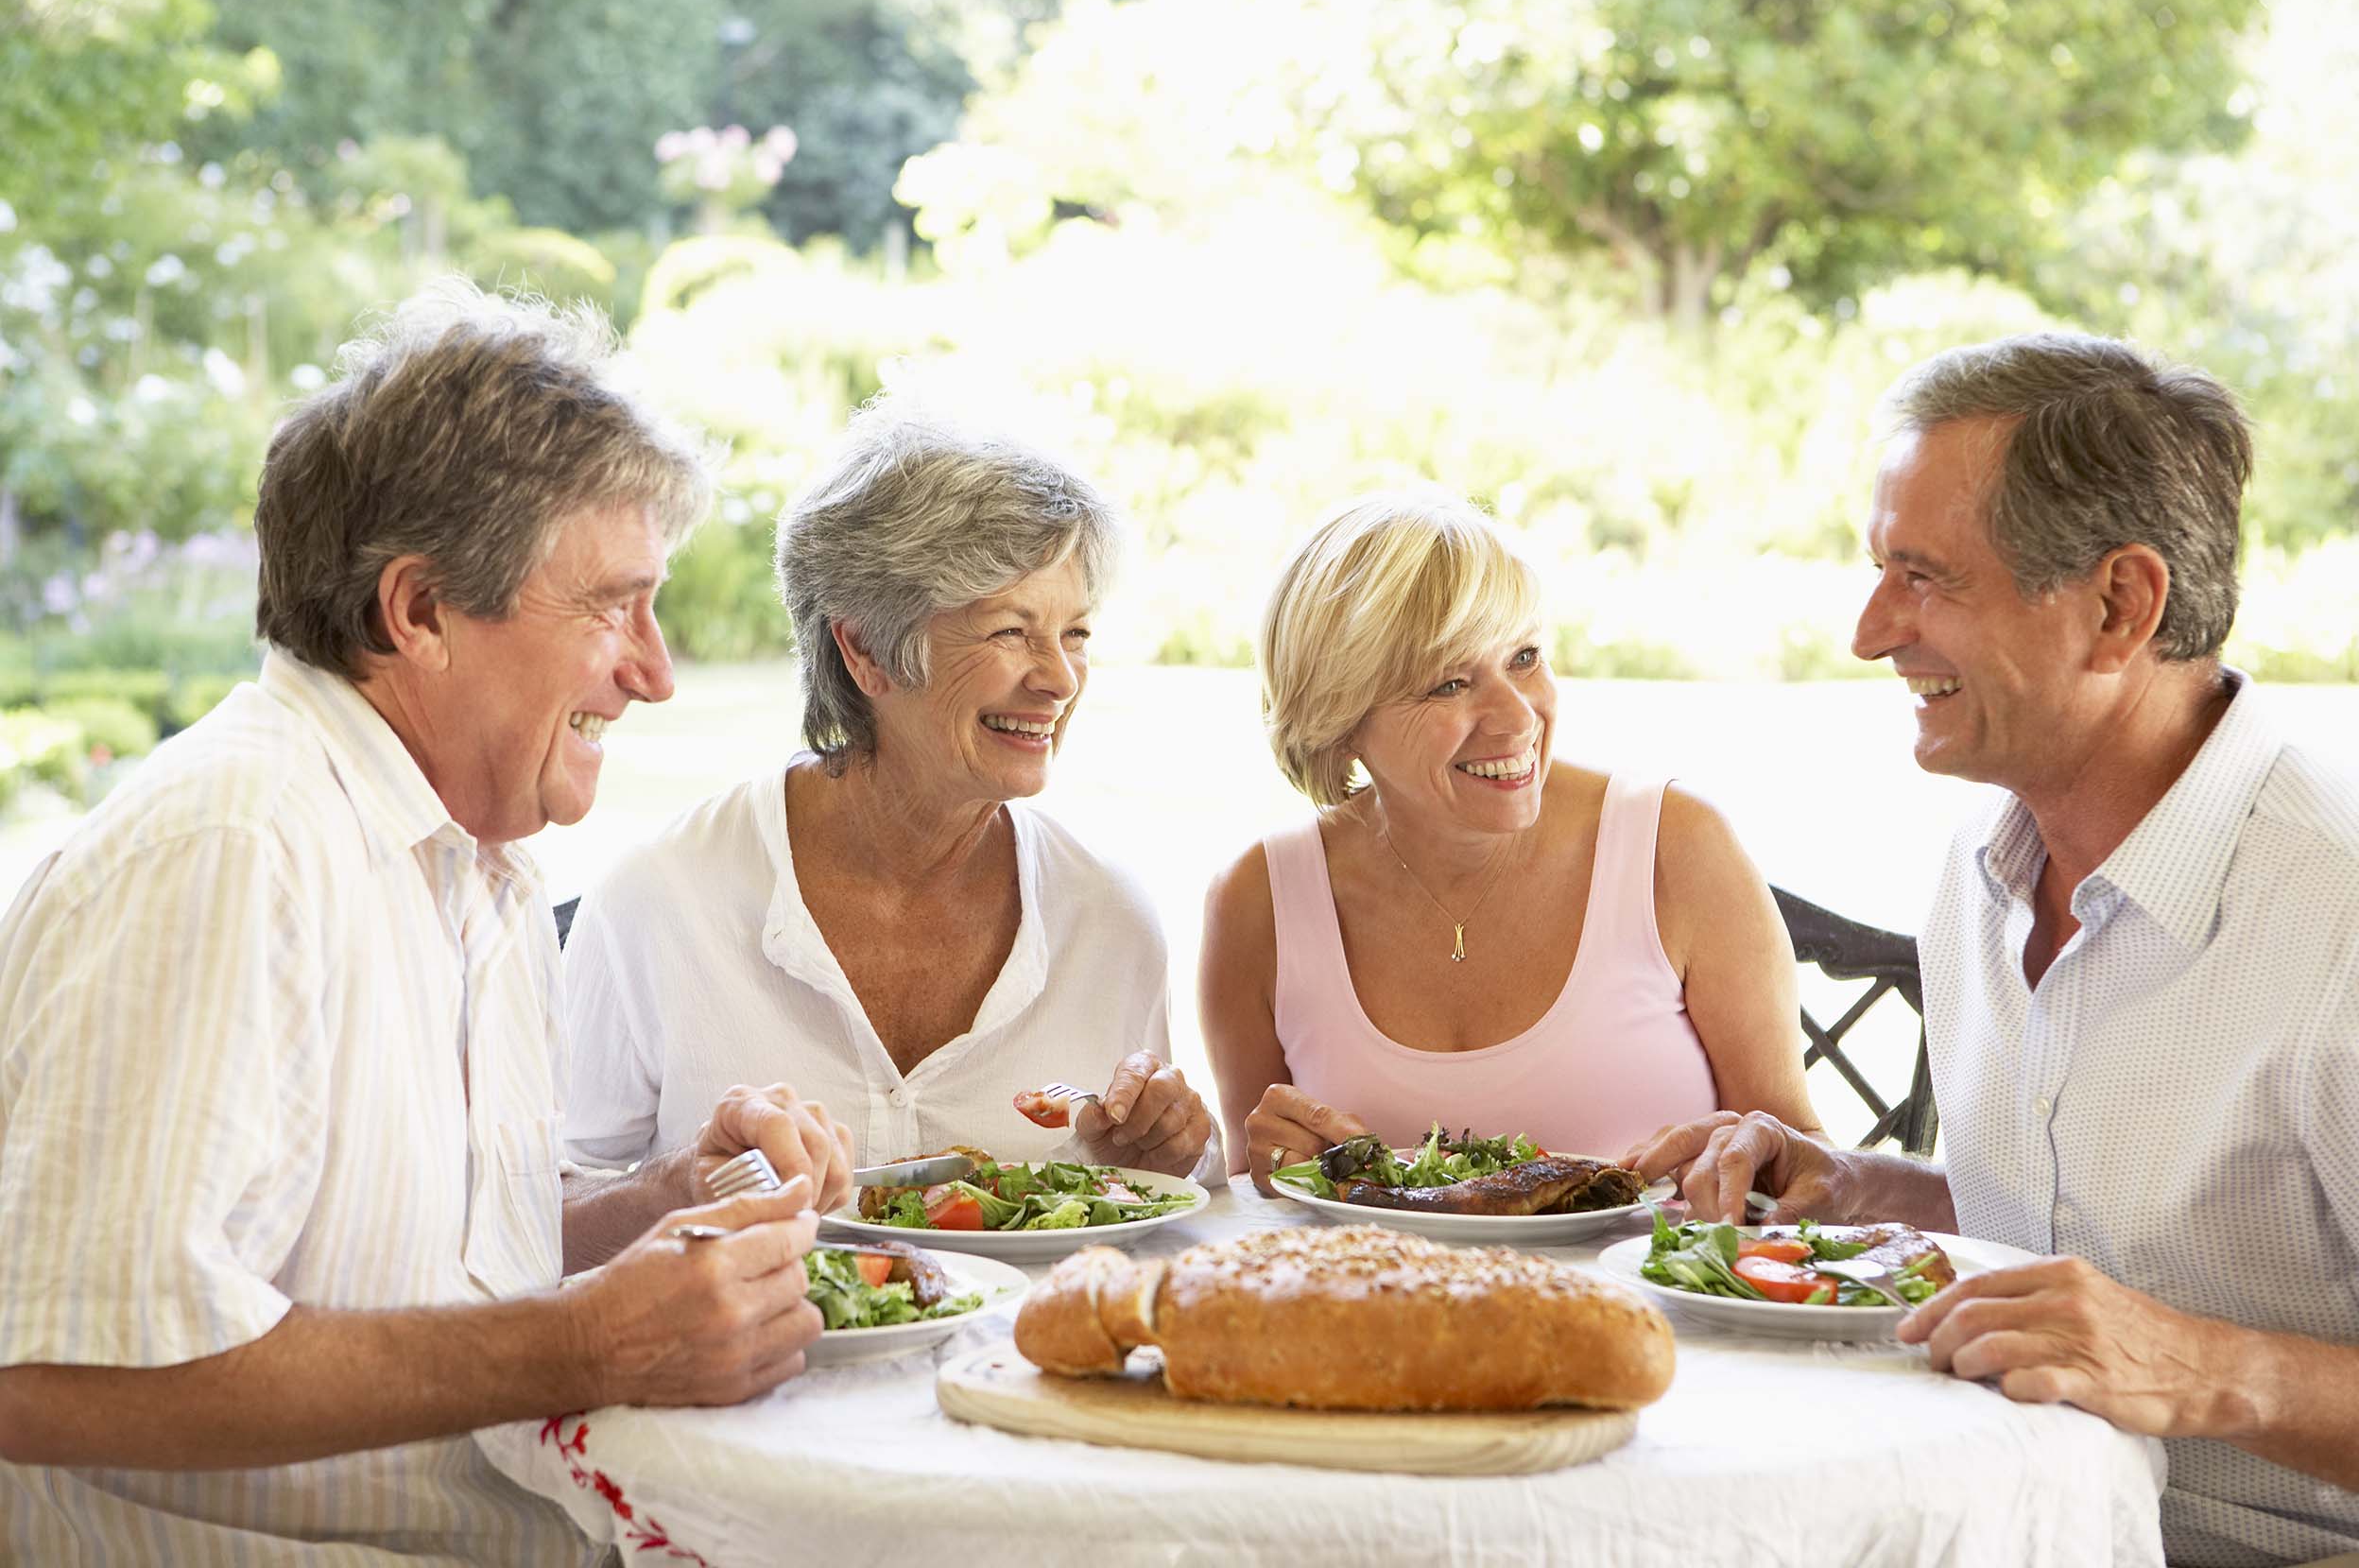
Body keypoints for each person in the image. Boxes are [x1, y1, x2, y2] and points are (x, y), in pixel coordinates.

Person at [0, 281, 858, 1566]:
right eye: (612, 606)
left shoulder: (473, 854)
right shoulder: (235, 847)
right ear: (418, 613)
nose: (657, 669)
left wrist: (659, 1202)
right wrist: (580, 1343)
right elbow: (51, 1370)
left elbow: (399, 1256)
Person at [1628, 333, 2359, 1566]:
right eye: (1879, 571)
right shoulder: (1980, 865)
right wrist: (1859, 1186)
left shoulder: (2334, 911)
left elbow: (2155, 1326)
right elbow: (2090, 1231)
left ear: (2120, 606)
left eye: (1926, 577)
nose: (1871, 631)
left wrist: (2203, 1373)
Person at [562, 401, 1217, 1185]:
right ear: (866, 649)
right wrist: (676, 1192)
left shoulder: (1108, 920)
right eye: (1011, 630)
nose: (1060, 678)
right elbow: (543, 1214)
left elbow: (1166, 1217)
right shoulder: (662, 899)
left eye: (1075, 632)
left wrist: (1168, 1154)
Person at [1201, 489, 1820, 1193]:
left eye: (1525, 656)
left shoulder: (1674, 847)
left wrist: (1750, 1163)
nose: (1517, 717)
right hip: (1382, 1300)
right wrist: (1274, 1170)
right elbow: (1257, 1205)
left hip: (1652, 1299)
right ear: (1340, 716)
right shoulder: (1260, 901)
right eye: (1450, 683)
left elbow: (1808, 1169)